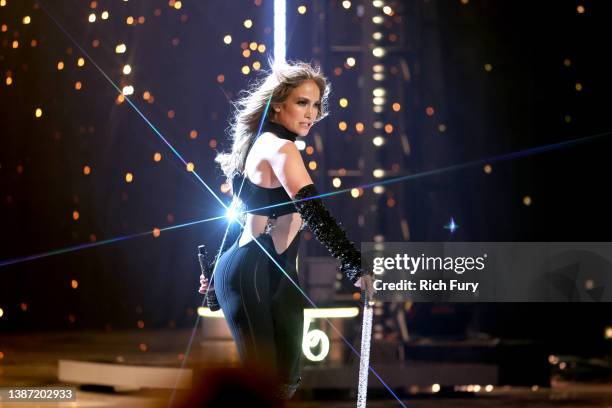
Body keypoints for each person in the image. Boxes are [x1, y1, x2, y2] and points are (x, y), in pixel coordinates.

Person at [198, 60, 374, 399]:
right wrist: (353, 263)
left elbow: (242, 215)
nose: (311, 113)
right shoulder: (280, 148)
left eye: (316, 105)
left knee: (285, 384)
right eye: (302, 102)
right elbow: (314, 210)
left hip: (275, 274)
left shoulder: (264, 143)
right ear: (278, 104)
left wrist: (215, 273)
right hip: (252, 272)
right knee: (263, 389)